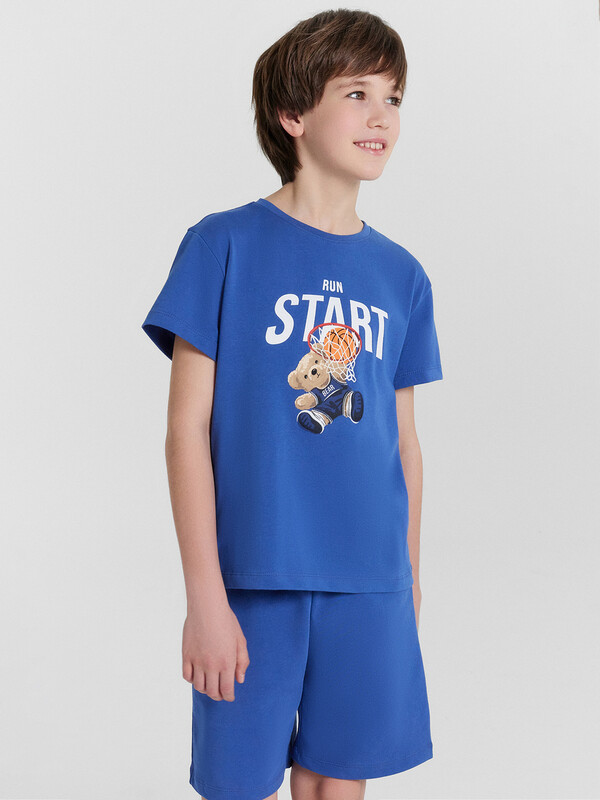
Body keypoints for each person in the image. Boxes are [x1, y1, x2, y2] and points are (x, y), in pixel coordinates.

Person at [141, 8, 444, 800]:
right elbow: (186, 431)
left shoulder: (403, 276)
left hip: (371, 583)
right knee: (237, 786)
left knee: (335, 785)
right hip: (254, 576)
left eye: (394, 97)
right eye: (357, 93)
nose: (382, 116)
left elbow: (404, 444)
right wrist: (205, 598)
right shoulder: (223, 244)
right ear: (293, 114)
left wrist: (409, 582)